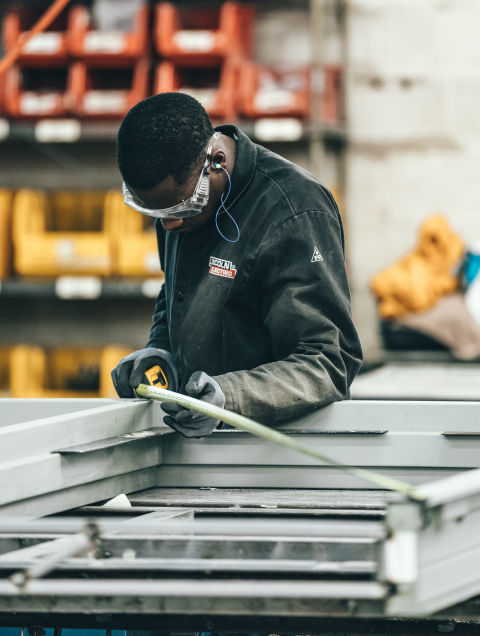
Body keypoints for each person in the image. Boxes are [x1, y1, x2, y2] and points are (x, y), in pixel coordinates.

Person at [111, 92, 362, 437]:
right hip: (203, 447)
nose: (169, 226)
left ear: (215, 161)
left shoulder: (294, 212)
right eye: (159, 215)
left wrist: (232, 397)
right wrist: (161, 352)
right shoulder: (178, 202)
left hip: (279, 455)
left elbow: (327, 363)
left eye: (181, 210)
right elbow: (177, 291)